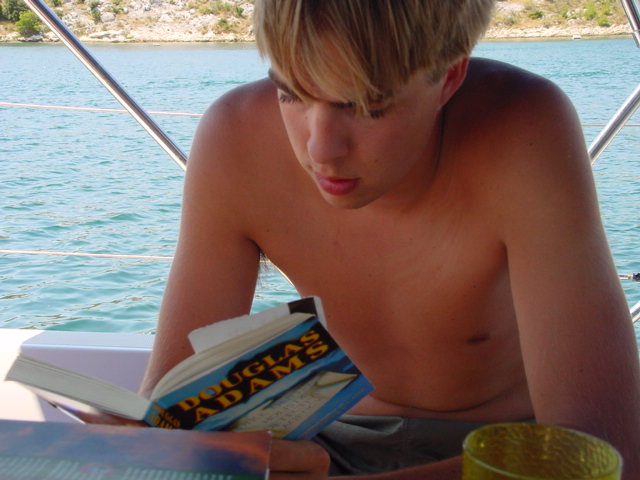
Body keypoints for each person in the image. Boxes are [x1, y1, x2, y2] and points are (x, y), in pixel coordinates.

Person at [140, 1, 640, 478]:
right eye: (291, 92)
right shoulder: (235, 137)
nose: (321, 149)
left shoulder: (522, 130)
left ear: (449, 77)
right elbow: (167, 413)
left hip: (500, 450)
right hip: (317, 440)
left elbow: (598, 452)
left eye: (365, 106)